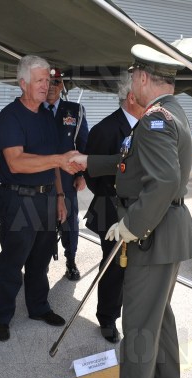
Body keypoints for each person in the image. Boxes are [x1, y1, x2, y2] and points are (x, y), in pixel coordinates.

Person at [74, 44, 192, 378]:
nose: (131, 84)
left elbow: (162, 182)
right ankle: (166, 376)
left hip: (153, 233)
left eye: (133, 77)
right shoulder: (170, 113)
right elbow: (134, 161)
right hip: (167, 232)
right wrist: (89, 161)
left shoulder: (155, 119)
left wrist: (131, 225)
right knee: (158, 311)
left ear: (143, 78)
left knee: (139, 324)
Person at [0, 54, 82, 342]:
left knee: (41, 260)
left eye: (49, 80)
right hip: (19, 200)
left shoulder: (45, 115)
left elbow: (53, 164)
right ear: (23, 83)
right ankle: (2, 316)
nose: (47, 86)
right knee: (12, 260)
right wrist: (57, 159)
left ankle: (38, 307)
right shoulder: (10, 116)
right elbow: (16, 162)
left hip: (45, 199)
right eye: (40, 81)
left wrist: (60, 197)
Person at [83, 74, 144, 343]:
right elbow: (92, 176)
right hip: (111, 211)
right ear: (131, 98)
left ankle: (133, 312)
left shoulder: (148, 126)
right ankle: (107, 317)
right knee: (113, 268)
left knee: (136, 267)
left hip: (142, 210)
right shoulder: (104, 130)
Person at [44, 68, 89, 281]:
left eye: (56, 82)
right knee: (41, 221)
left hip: (68, 178)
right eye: (48, 82)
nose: (52, 87)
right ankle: (40, 262)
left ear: (61, 86)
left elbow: (84, 146)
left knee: (69, 223)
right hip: (41, 177)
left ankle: (70, 261)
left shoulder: (74, 110)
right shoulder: (34, 109)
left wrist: (83, 175)